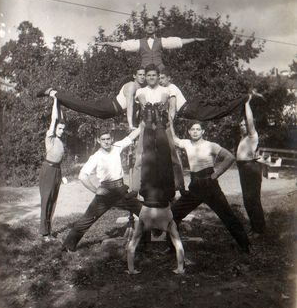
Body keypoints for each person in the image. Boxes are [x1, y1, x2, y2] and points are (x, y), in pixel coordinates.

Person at [170, 119, 250, 254]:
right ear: (189, 132)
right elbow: (174, 139)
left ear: (203, 131)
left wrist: (216, 174)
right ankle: (173, 248)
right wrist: (170, 121)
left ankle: (245, 246)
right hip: (195, 186)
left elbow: (229, 157)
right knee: (173, 214)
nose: (195, 132)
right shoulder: (187, 143)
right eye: (192, 129)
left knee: (227, 216)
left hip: (210, 185)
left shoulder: (210, 145)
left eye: (198, 129)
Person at [62, 127, 143, 252]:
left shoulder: (117, 147)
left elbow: (131, 137)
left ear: (112, 139)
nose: (106, 141)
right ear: (98, 141)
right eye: (103, 139)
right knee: (87, 219)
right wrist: (95, 190)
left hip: (120, 191)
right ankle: (68, 245)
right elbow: (82, 176)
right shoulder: (96, 157)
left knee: (143, 211)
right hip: (105, 193)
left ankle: (151, 237)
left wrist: (143, 125)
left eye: (108, 139)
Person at [127, 105, 185, 275]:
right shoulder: (147, 223)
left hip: (165, 190)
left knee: (163, 155)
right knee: (149, 154)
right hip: (149, 190)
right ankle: (151, 118)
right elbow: (132, 246)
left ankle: (157, 120)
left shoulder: (168, 223)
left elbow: (178, 245)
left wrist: (132, 270)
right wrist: (179, 268)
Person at [131, 64, 185, 193]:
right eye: (148, 75)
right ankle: (135, 189)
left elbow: (166, 100)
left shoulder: (166, 90)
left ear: (158, 76)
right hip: (147, 123)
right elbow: (142, 100)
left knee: (172, 154)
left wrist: (160, 106)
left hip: (162, 123)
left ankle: (180, 185)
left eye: (154, 75)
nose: (151, 77)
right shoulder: (140, 91)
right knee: (140, 155)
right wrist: (148, 106)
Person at [37, 67, 146, 131]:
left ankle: (58, 96)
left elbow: (136, 108)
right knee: (81, 105)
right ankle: (52, 92)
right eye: (140, 74)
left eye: (144, 75)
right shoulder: (132, 86)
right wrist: (131, 125)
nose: (142, 77)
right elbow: (130, 106)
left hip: (109, 111)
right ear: (134, 76)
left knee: (80, 106)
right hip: (108, 107)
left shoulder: (140, 88)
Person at [99, 18, 206, 71]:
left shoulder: (162, 41)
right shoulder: (139, 42)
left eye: (152, 25)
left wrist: (194, 39)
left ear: (155, 28)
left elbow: (178, 42)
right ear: (145, 28)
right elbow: (123, 45)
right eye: (148, 25)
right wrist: (108, 43)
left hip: (160, 71)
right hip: (145, 71)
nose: (150, 27)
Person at [159, 68, 250, 122]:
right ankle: (241, 100)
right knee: (219, 112)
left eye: (162, 78)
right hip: (190, 109)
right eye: (159, 78)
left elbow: (172, 107)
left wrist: (170, 123)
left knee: (221, 111)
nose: (160, 81)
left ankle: (244, 98)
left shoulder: (171, 87)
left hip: (191, 110)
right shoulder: (166, 90)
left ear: (169, 78)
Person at [236, 93, 266, 236]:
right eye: (240, 124)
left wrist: (247, 103)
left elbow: (249, 120)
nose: (242, 126)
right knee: (247, 199)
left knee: (253, 198)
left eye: (244, 124)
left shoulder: (252, 136)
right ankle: (254, 227)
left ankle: (259, 229)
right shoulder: (242, 139)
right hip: (243, 168)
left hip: (251, 168)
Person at [39, 95, 65, 241]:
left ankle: (48, 231)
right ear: (54, 128)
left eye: (63, 128)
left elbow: (60, 118)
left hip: (57, 170)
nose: (61, 130)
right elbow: (55, 118)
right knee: (46, 200)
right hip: (48, 170)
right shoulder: (50, 137)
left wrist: (60, 101)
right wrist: (55, 99)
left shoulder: (61, 140)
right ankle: (44, 233)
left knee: (53, 201)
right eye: (59, 128)